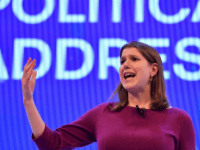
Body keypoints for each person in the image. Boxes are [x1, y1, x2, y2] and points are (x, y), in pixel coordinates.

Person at [22, 41, 196, 150]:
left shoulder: (179, 119)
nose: (125, 65)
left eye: (134, 59)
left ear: (153, 69)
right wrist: (29, 102)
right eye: (122, 61)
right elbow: (53, 144)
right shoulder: (104, 113)